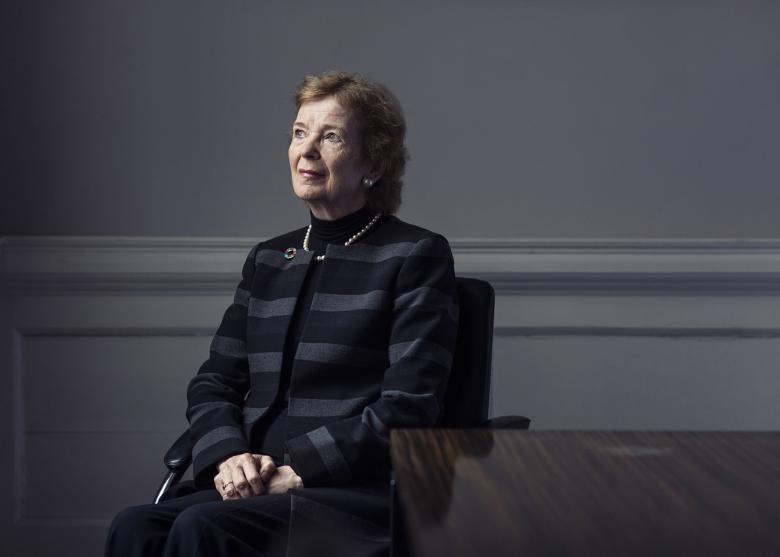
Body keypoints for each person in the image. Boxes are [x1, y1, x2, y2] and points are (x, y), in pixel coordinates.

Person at [105, 71, 459, 557]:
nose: (307, 150)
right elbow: (214, 382)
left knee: (201, 529)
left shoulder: (414, 254)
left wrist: (299, 471)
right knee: (134, 527)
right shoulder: (270, 259)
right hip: (253, 485)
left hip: (351, 493)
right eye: (299, 133)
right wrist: (229, 457)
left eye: (330, 136)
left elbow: (408, 407)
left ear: (373, 162)